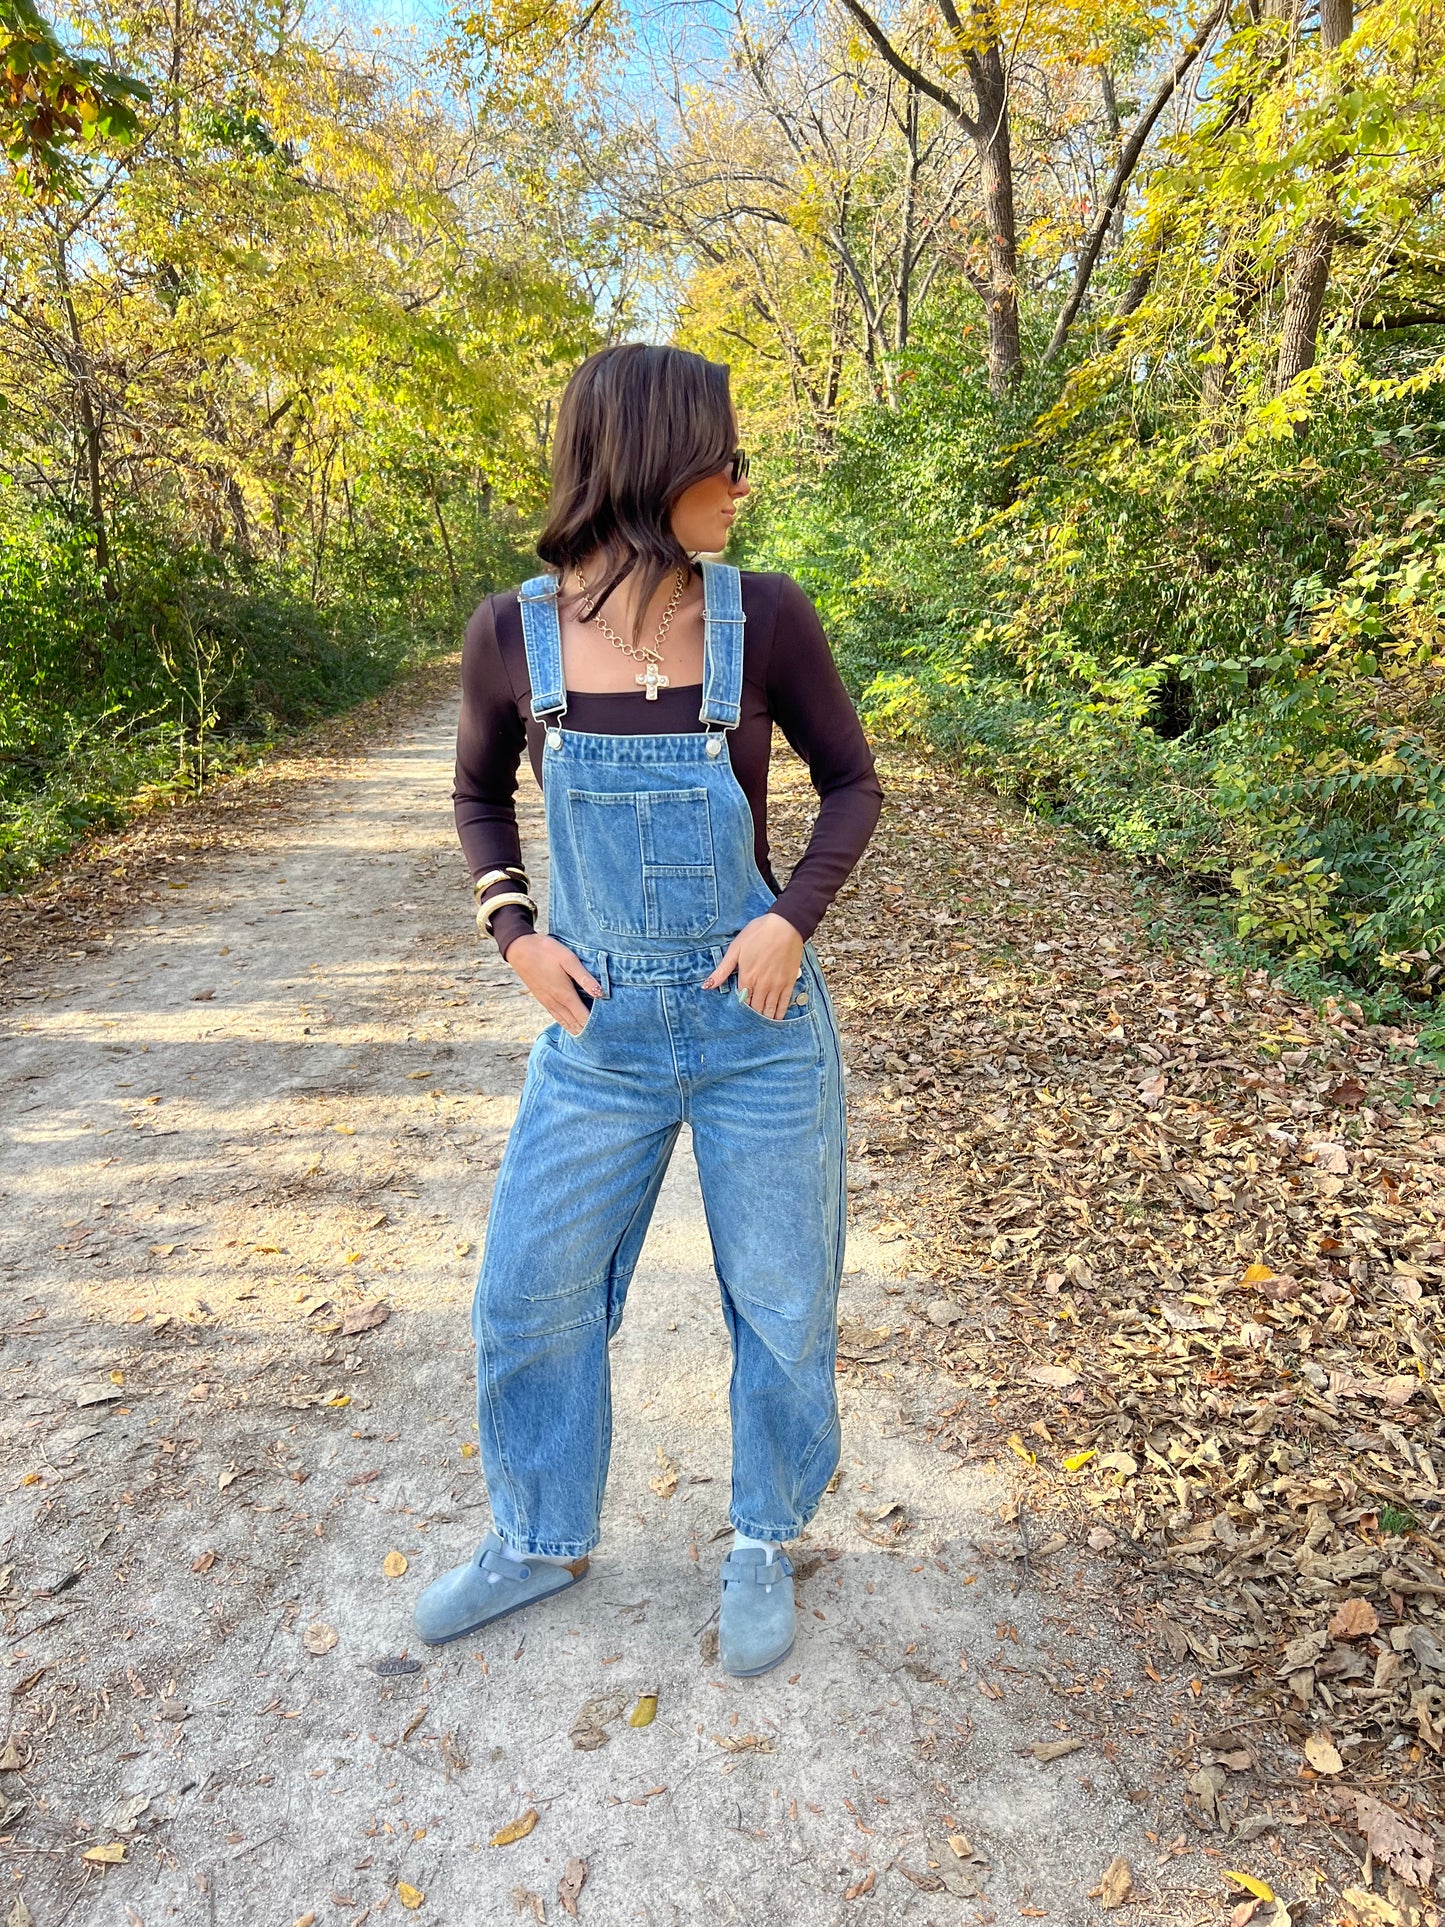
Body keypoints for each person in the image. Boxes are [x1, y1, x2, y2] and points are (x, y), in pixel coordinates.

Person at [414, 342, 882, 1677]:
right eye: (722, 458)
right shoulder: (512, 633)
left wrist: (789, 916)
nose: (742, 481)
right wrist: (512, 932)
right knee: (526, 1297)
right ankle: (538, 1537)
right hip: (599, 1044)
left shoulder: (768, 615)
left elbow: (852, 784)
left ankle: (761, 1535)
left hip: (759, 1040)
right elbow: (473, 794)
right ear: (648, 467)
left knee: (782, 1305)